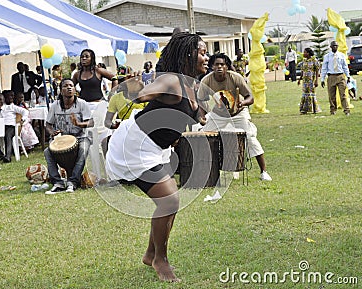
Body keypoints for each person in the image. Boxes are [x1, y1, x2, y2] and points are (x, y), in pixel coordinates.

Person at [105, 32, 209, 282]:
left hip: (157, 147)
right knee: (170, 200)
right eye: (202, 52)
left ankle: (151, 253)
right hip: (137, 144)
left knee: (169, 201)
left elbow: (195, 115)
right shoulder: (172, 81)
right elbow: (145, 93)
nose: (207, 57)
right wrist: (138, 89)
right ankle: (160, 260)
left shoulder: (192, 85)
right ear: (188, 55)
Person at [199, 53, 272, 181]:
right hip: (218, 115)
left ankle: (263, 171)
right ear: (212, 66)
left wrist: (242, 103)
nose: (220, 67)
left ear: (227, 67)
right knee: (204, 137)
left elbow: (251, 97)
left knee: (250, 137)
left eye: (222, 64)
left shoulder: (236, 78)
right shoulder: (206, 80)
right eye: (217, 64)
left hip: (238, 113)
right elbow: (201, 100)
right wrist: (202, 116)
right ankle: (207, 171)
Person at [44, 78, 93, 194]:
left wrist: (79, 124)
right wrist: (51, 133)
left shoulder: (82, 104)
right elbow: (48, 124)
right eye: (66, 86)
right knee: (47, 151)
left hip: (80, 137)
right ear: (61, 91)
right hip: (62, 139)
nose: (69, 88)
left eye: (71, 85)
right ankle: (57, 182)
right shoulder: (55, 106)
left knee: (83, 148)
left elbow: (91, 122)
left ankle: (73, 181)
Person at [0, 90, 29, 162]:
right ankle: (0, 155)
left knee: (7, 134)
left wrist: (23, 119)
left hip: (10, 127)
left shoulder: (11, 107)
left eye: (0, 100)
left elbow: (25, 111)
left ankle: (8, 157)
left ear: (3, 99)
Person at [321, 41, 351, 116]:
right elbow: (324, 68)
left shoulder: (341, 55)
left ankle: (346, 110)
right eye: (333, 46)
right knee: (332, 95)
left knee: (343, 94)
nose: (335, 47)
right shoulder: (327, 56)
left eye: (336, 46)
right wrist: (322, 79)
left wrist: (348, 76)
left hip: (340, 76)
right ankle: (333, 110)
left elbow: (345, 66)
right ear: (330, 47)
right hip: (331, 76)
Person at [297, 48, 322, 114]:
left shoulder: (314, 60)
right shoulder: (304, 61)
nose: (303, 53)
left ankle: (314, 109)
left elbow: (317, 71)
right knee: (305, 94)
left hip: (311, 80)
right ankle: (304, 109)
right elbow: (303, 71)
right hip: (305, 81)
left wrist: (316, 80)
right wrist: (299, 79)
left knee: (311, 94)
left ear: (308, 53)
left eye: (305, 52)